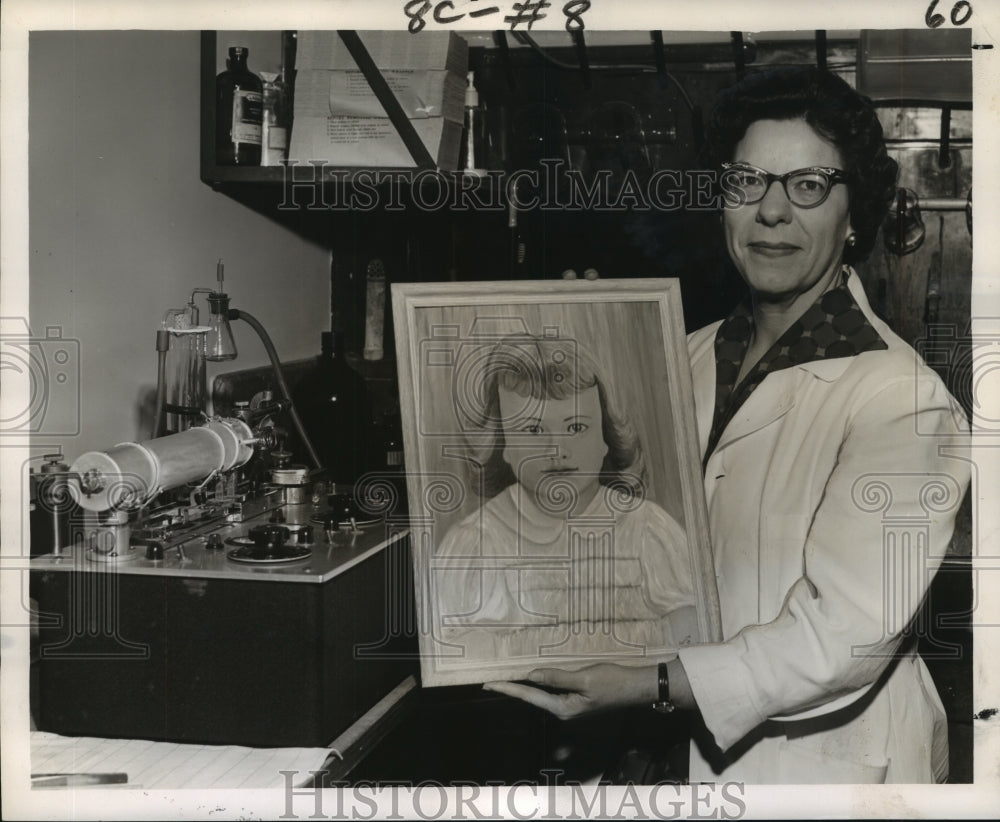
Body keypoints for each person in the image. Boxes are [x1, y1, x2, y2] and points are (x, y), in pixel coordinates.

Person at [484, 66, 971, 784]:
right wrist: (575, 365)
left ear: (855, 210)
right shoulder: (679, 357)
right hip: (661, 748)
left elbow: (842, 637)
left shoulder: (902, 398)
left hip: (814, 768)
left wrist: (650, 680)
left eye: (807, 185)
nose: (771, 212)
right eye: (747, 181)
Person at [434, 334, 697, 672]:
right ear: (504, 447)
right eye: (532, 430)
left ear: (606, 438)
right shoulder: (476, 542)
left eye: (576, 426)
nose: (556, 449)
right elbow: (456, 649)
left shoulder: (647, 528)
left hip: (635, 704)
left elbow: (690, 627)